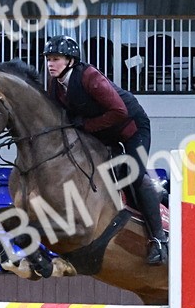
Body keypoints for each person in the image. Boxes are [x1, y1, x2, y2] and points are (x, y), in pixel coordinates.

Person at [42, 34, 168, 265]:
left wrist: (86, 125)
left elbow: (119, 112)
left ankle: (159, 241)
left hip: (132, 128)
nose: (50, 63)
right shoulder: (56, 86)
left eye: (56, 58)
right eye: (49, 58)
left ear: (70, 60)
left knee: (135, 174)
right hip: (104, 132)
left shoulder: (90, 77)